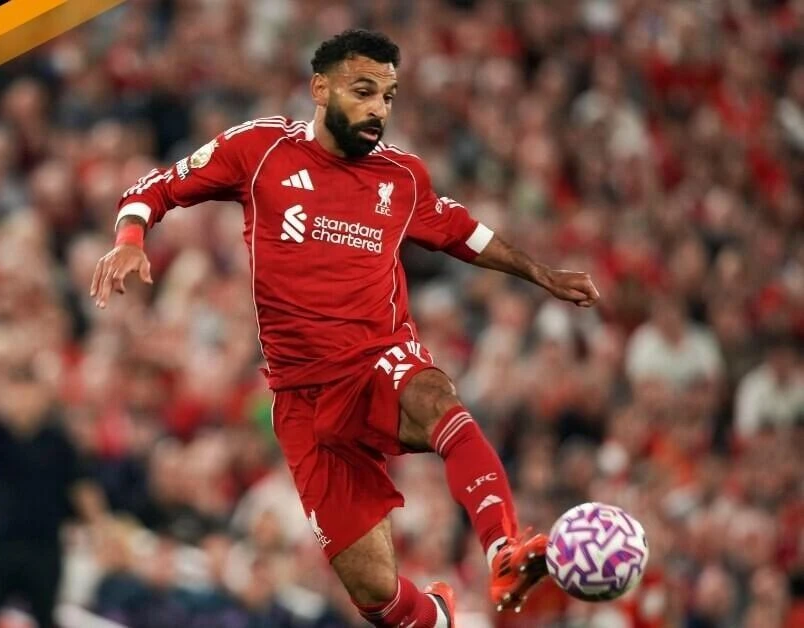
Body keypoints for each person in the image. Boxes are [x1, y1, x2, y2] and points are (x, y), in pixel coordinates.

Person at [91, 29, 601, 628]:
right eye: (364, 92)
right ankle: (438, 617)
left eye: (388, 97)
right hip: (304, 401)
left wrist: (540, 273)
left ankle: (503, 549)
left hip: (378, 359)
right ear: (320, 88)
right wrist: (129, 240)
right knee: (376, 596)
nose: (379, 109)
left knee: (436, 397)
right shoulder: (260, 152)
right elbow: (153, 188)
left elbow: (464, 233)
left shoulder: (401, 178)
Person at [0, 365, 109, 628]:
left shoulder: (58, 442)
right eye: (16, 392)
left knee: (46, 618)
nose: (22, 400)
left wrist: (102, 527)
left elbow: (81, 486)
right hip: (4, 545)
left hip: (45, 548)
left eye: (29, 392)